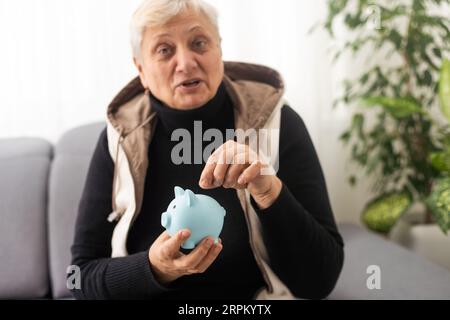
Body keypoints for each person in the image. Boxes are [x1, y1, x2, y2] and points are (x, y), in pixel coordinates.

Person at [70, 0, 344, 300]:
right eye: (164, 50)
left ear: (220, 50)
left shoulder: (278, 124)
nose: (186, 62)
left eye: (199, 43)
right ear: (141, 71)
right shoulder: (119, 139)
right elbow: (79, 280)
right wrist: (154, 268)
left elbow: (320, 280)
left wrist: (269, 193)